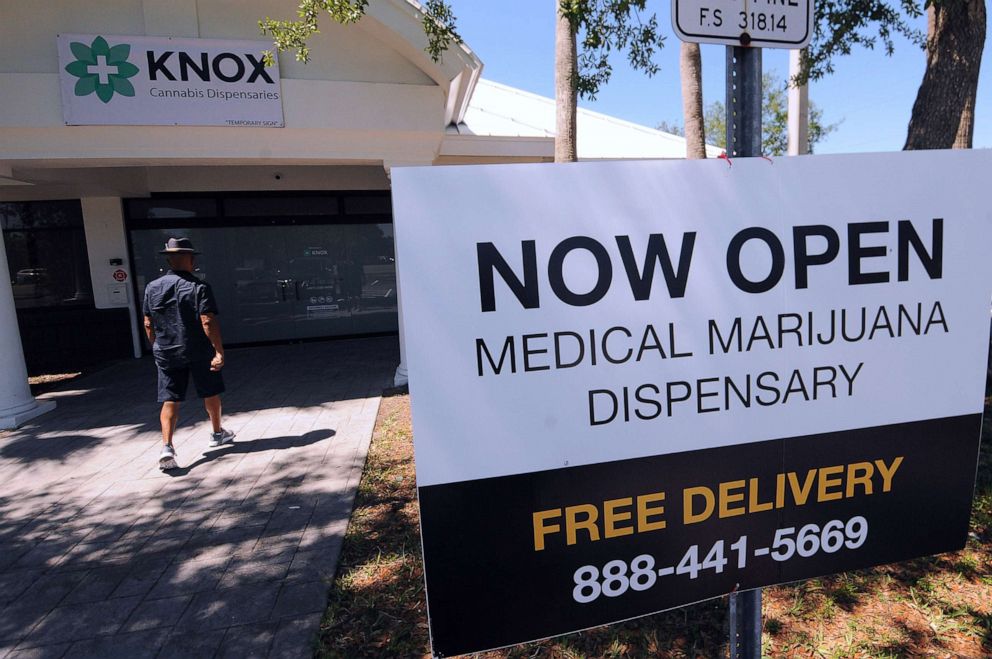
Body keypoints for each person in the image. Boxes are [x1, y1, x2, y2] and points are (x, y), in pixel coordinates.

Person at [143, 237, 234, 470]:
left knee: (170, 398)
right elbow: (207, 320)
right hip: (197, 349)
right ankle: (216, 432)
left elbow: (147, 322)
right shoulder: (199, 287)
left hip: (166, 350)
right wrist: (218, 350)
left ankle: (167, 446)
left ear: (169, 259)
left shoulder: (152, 287)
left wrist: (156, 345)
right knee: (210, 391)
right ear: (191, 260)